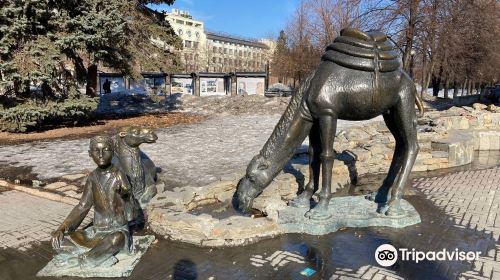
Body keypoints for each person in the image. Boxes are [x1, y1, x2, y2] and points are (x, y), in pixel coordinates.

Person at [51, 136, 132, 268]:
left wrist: (126, 194)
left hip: (116, 230)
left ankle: (79, 259)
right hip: (96, 232)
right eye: (96, 151)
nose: (101, 155)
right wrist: (61, 228)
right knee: (57, 238)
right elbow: (83, 206)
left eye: (106, 150)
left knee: (116, 239)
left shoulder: (118, 174)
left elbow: (129, 203)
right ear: (90, 153)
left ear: (113, 152)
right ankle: (98, 256)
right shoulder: (92, 178)